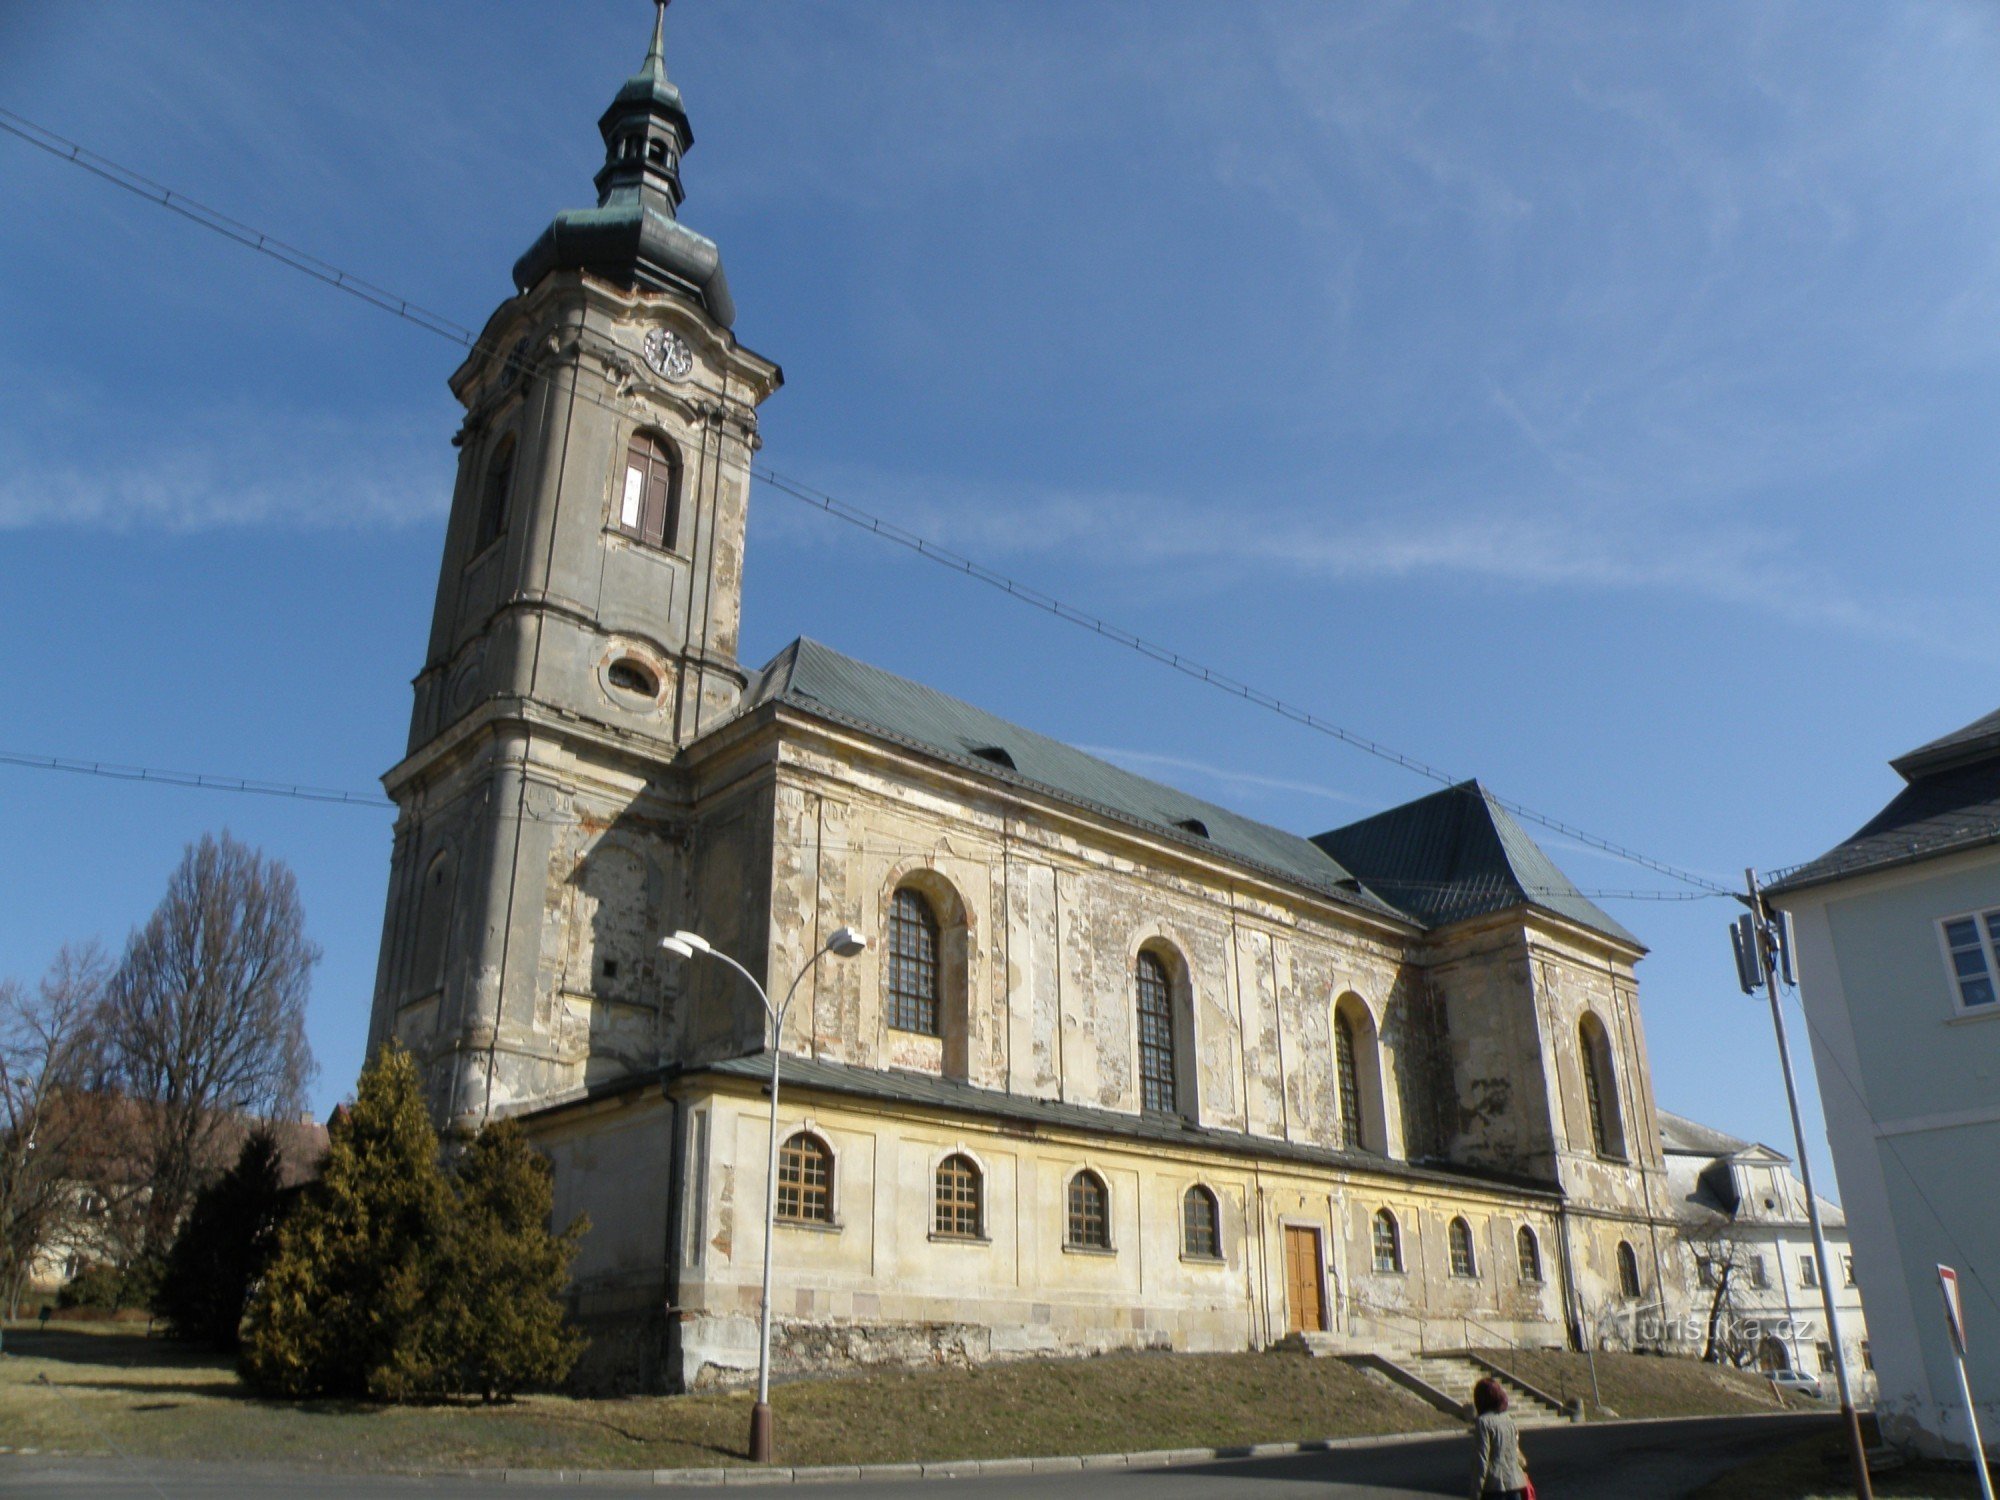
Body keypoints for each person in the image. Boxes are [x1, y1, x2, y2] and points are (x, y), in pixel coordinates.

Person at [1470, 1376, 1530, 1499]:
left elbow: (1482, 1459)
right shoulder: (1509, 1420)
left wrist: (1476, 1491)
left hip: (1494, 1487)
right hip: (1515, 1484)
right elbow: (1516, 1452)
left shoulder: (1483, 1422)